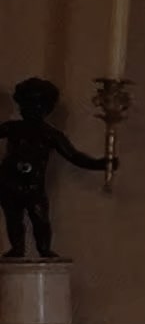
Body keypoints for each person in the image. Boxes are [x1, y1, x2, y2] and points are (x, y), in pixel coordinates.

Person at [1, 79, 111, 260]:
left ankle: (44, 249)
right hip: (9, 182)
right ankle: (17, 249)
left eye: (37, 105)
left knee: (40, 218)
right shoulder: (12, 128)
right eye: (27, 104)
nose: (31, 109)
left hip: (34, 186)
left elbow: (74, 156)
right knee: (13, 219)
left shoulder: (50, 134)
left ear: (46, 109)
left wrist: (100, 164)